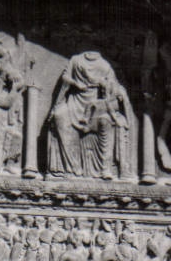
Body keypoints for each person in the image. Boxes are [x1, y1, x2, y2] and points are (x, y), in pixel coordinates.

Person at [44, 51, 131, 179]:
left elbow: (113, 87)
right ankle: (73, 169)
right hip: (75, 101)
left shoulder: (106, 66)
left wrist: (118, 94)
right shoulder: (75, 59)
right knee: (59, 115)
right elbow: (65, 78)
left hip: (97, 105)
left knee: (105, 121)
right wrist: (75, 83)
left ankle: (105, 169)